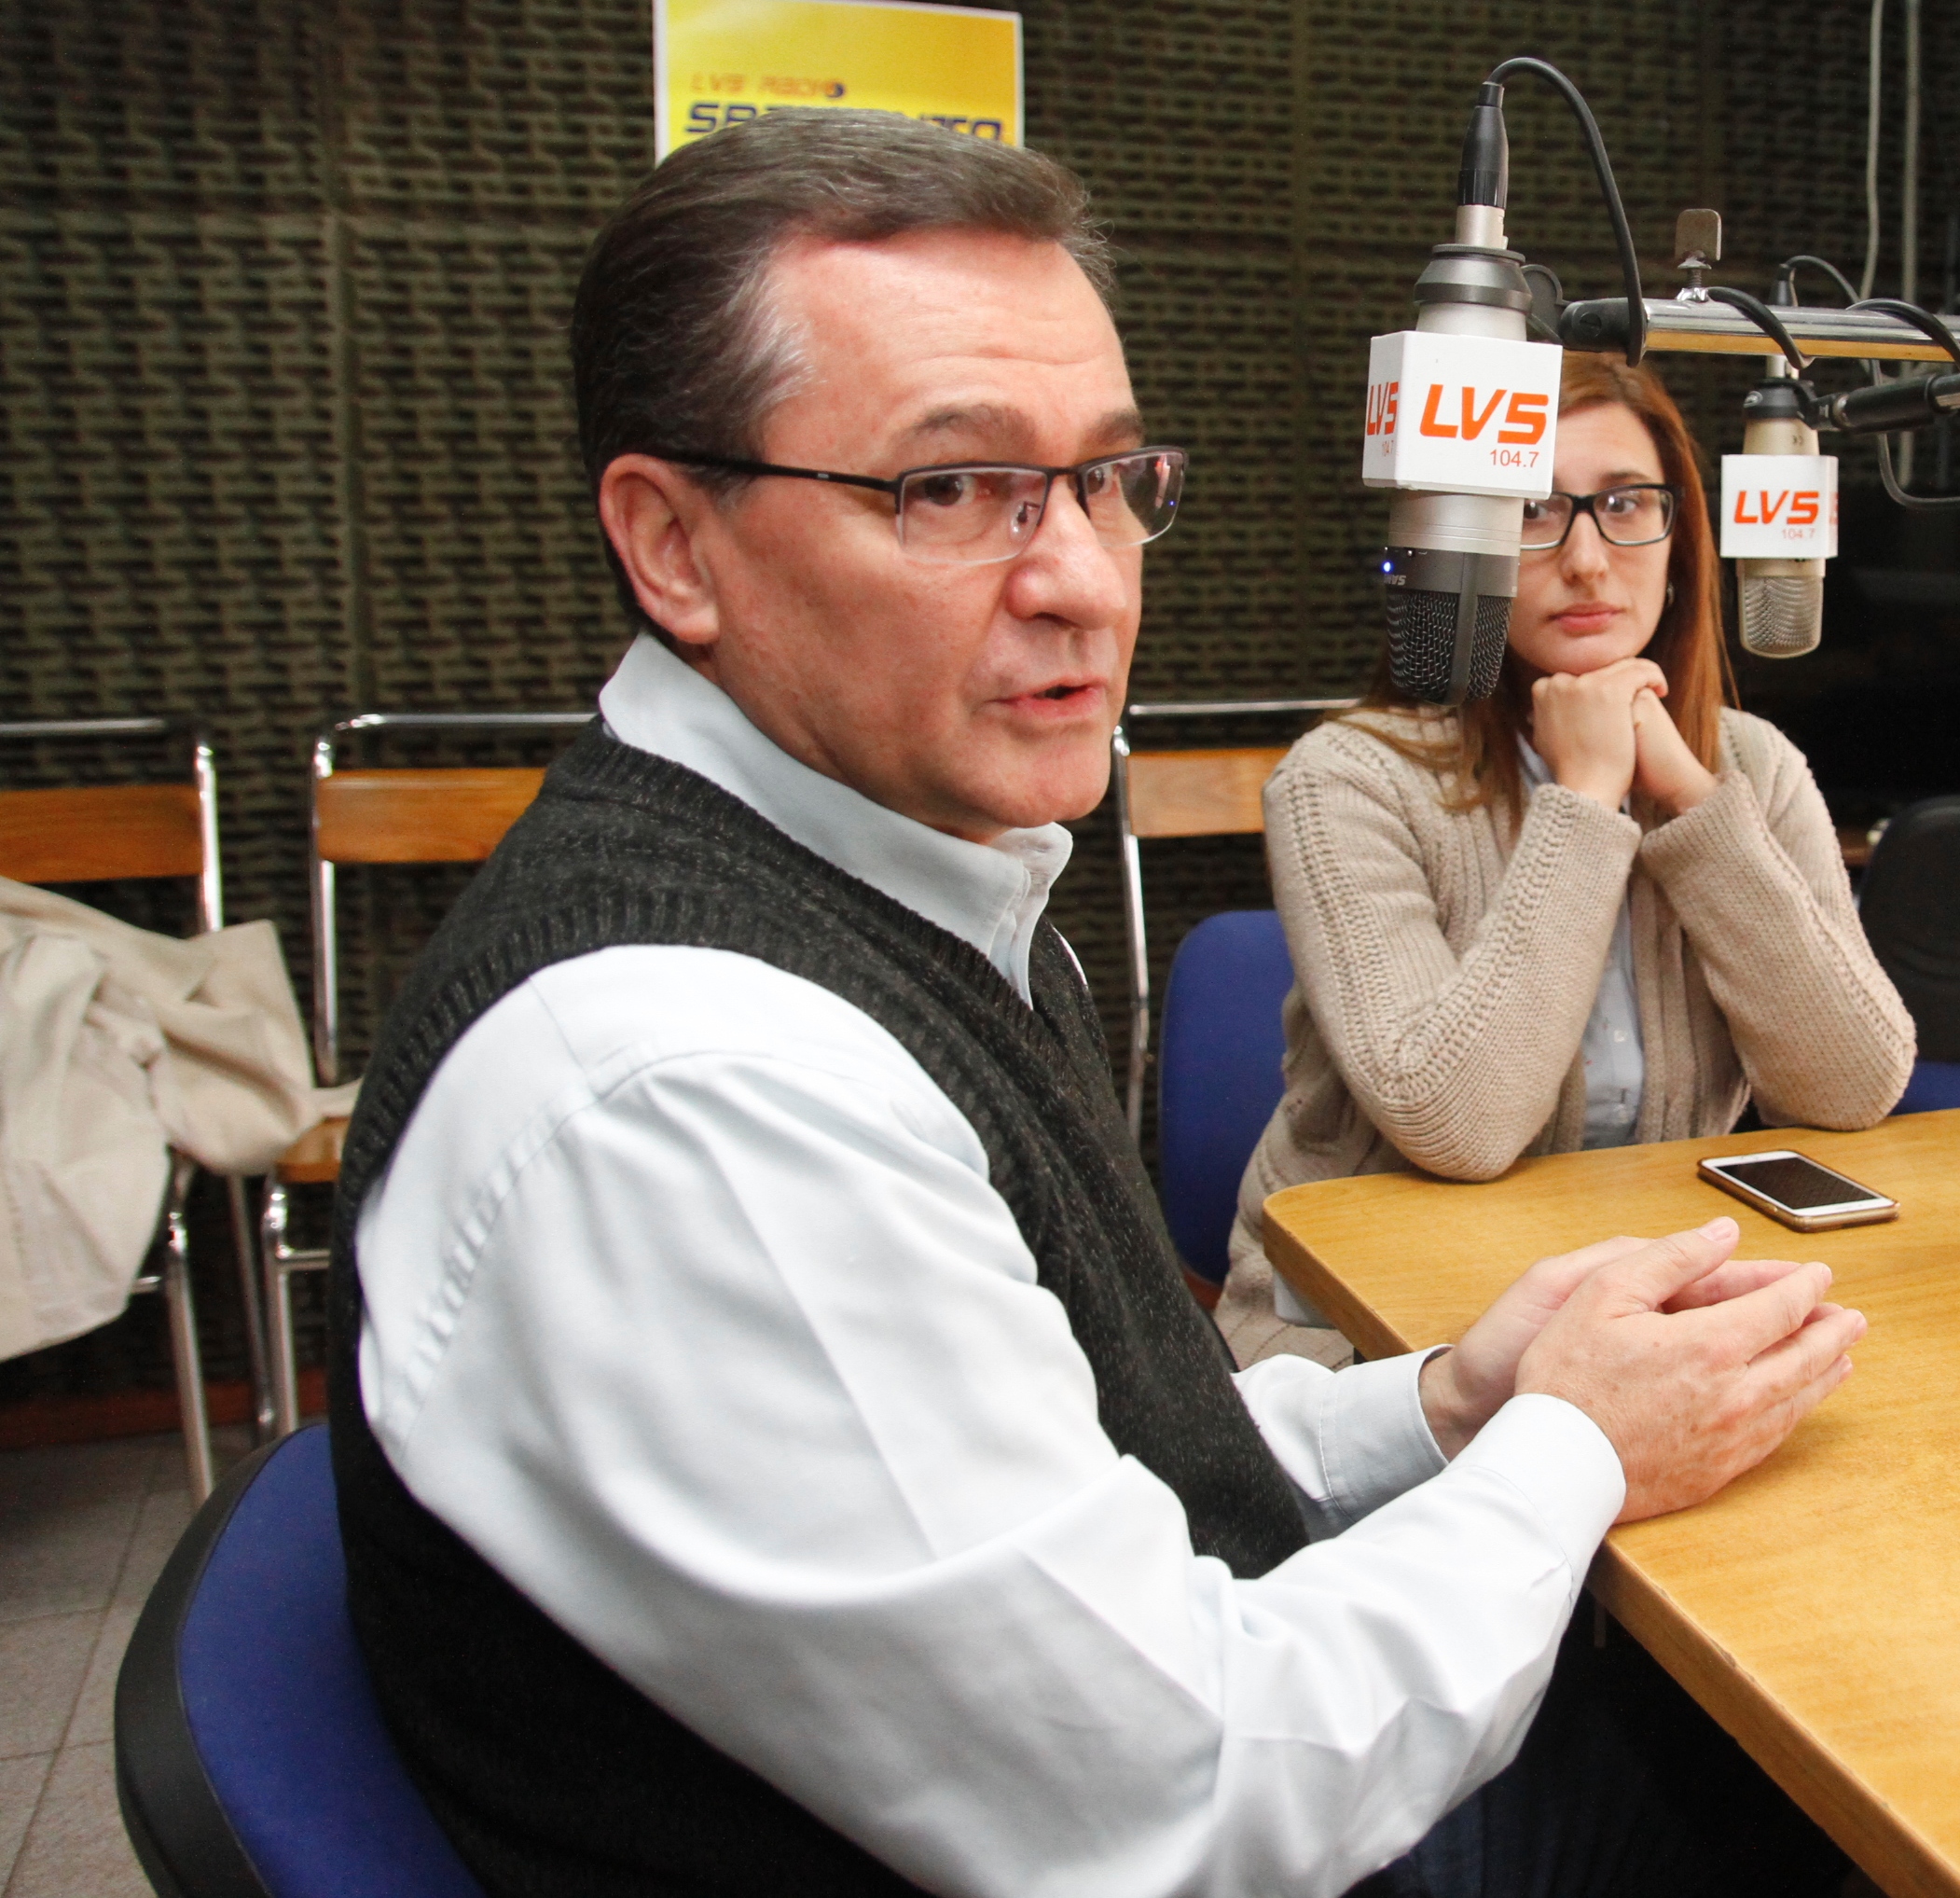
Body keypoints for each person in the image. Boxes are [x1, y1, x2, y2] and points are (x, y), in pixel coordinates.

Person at [329, 115, 1863, 1898]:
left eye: (1105, 479)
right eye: (950, 488)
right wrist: (1578, 1445)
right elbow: (1185, 1801)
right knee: (1823, 1774)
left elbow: (1090, 1461)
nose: (1081, 577)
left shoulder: (921, 885)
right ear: (674, 546)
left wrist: (1451, 1403)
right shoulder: (696, 1090)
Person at [1217, 353, 1915, 1369]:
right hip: (1374, 1334)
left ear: (1679, 542)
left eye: (1625, 505)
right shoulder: (1347, 780)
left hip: (1649, 1309)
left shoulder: (1752, 766)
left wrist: (1692, 800)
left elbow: (1853, 1085)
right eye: (1532, 510)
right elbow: (1457, 1125)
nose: (1588, 560)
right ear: (1463, 543)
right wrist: (1585, 798)